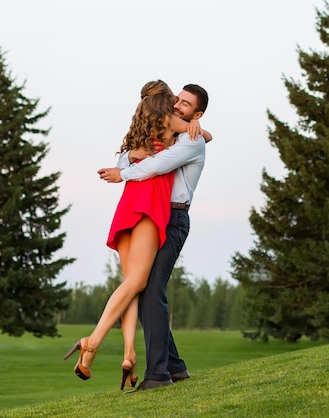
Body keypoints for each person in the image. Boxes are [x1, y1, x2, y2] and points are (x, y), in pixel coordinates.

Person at [63, 80, 206, 390]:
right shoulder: (166, 131)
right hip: (148, 208)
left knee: (147, 288)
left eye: (186, 104)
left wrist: (124, 170)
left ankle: (156, 374)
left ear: (198, 113)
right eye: (176, 100)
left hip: (172, 216)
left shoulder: (190, 140)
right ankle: (169, 366)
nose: (178, 106)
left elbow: (155, 165)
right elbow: (131, 157)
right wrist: (126, 162)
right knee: (142, 289)